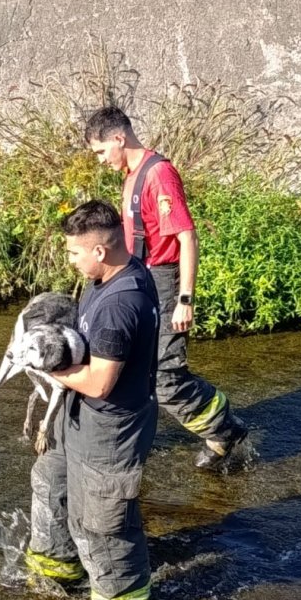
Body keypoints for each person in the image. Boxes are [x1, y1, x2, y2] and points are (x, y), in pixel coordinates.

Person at [84, 105, 248, 470]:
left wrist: (184, 300)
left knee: (167, 378)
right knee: (130, 367)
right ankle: (132, 442)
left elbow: (187, 237)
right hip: (139, 279)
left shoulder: (160, 175)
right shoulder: (131, 177)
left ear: (118, 138)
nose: (100, 160)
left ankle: (225, 428)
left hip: (165, 283)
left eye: (100, 151)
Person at [25, 199, 160, 600]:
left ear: (99, 251)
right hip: (78, 414)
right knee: (51, 480)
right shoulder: (110, 275)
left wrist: (48, 365)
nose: (71, 261)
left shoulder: (120, 305)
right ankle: (58, 566)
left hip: (111, 426)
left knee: (101, 520)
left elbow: (101, 382)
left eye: (73, 253)